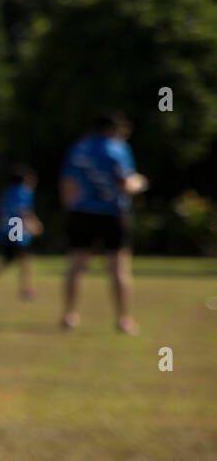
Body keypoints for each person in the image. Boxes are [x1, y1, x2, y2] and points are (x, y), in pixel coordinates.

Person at [60, 111, 147, 334]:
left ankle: (69, 315)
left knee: (76, 266)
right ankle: (123, 319)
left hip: (81, 212)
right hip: (112, 213)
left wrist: (70, 209)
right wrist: (140, 183)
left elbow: (68, 184)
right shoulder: (117, 149)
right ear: (113, 129)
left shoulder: (78, 148)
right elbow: (125, 184)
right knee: (118, 268)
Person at [0, 164, 42, 300]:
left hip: (6, 228)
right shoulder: (22, 192)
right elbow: (23, 211)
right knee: (23, 259)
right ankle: (27, 291)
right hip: (16, 228)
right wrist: (34, 225)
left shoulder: (8, 191)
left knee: (10, 260)